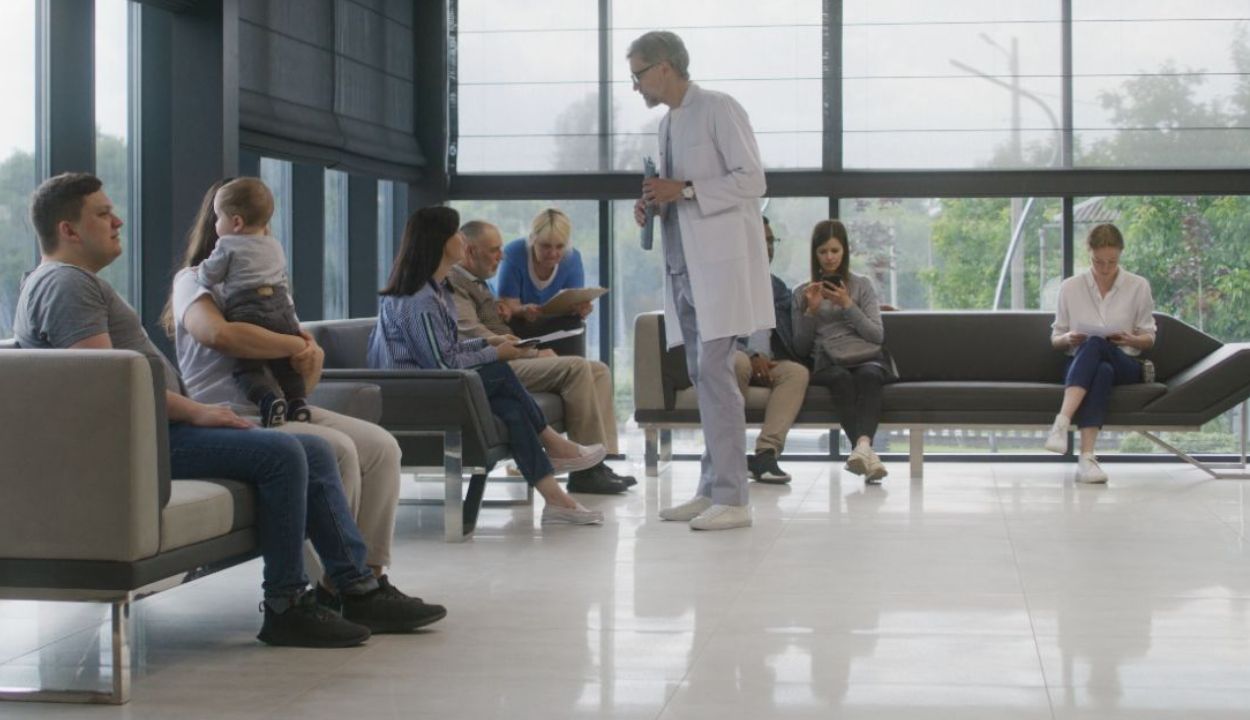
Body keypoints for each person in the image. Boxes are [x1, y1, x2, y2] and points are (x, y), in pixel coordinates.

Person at [15, 173, 444, 648]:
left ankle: (355, 586)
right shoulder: (66, 286)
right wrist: (198, 412)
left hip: (153, 431)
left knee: (312, 452)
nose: (117, 220)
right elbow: (107, 386)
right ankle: (286, 604)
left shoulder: (71, 283)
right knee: (286, 454)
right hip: (141, 441)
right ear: (68, 230)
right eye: (102, 213)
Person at [164, 178, 406, 589]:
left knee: (383, 447)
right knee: (340, 449)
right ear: (228, 224)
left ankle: (370, 578)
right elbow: (219, 334)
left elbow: (301, 380)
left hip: (278, 407)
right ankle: (342, 581)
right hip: (231, 412)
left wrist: (309, 361)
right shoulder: (194, 280)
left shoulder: (272, 288)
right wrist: (295, 342)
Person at [368, 206, 607, 526]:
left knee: (511, 408)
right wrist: (496, 354)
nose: (461, 241)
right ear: (439, 242)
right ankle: (553, 444)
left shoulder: (435, 292)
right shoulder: (419, 300)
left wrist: (488, 344)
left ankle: (556, 499)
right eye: (455, 234)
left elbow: (446, 351)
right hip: (415, 396)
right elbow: (441, 364)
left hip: (434, 385)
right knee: (498, 370)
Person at [629, 30, 772, 530]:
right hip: (680, 264)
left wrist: (684, 189)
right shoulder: (667, 125)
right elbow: (678, 193)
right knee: (703, 377)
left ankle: (734, 497)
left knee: (716, 374)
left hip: (719, 266)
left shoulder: (720, 107)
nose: (636, 85)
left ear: (665, 67)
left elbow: (753, 180)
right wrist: (653, 203)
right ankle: (712, 487)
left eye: (639, 73)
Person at [450, 219, 634, 494]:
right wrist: (532, 353)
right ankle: (586, 473)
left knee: (599, 370)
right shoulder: (455, 282)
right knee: (575, 367)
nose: (501, 256)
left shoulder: (477, 282)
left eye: (501, 249)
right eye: (494, 250)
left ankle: (601, 460)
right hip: (495, 364)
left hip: (510, 354)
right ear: (470, 251)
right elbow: (473, 334)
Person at [1045, 223, 1156, 484]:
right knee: (1100, 368)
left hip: (1125, 362)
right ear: (1089, 254)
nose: (1105, 268)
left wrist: (1131, 338)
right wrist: (1068, 338)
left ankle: (1061, 423)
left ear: (1120, 254)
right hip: (1082, 363)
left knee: (1096, 345)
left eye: (1112, 261)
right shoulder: (1070, 287)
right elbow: (1055, 338)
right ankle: (1087, 459)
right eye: (1098, 262)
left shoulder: (1138, 286)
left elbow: (1149, 337)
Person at [194, 177, 307, 427]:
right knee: (284, 365)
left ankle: (268, 400)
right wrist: (295, 342)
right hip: (281, 309)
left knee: (248, 365)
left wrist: (201, 271)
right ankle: (297, 401)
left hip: (249, 308)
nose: (216, 225)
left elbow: (208, 274)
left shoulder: (227, 244)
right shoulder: (275, 246)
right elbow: (282, 282)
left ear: (236, 222)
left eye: (219, 218)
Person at [793, 220, 891, 484]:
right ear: (815, 254)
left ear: (845, 251)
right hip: (828, 361)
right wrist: (811, 311)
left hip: (866, 356)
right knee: (840, 378)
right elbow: (800, 347)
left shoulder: (862, 285)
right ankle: (867, 452)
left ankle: (862, 449)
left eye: (835, 251)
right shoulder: (801, 292)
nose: (829, 258)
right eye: (823, 251)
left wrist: (847, 304)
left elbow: (876, 335)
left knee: (869, 376)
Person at [735, 216, 810, 484]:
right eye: (761, 240)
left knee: (797, 373)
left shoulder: (776, 286)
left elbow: (794, 327)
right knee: (738, 363)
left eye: (770, 240)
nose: (768, 247)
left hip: (769, 362)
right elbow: (715, 333)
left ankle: (765, 454)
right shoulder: (727, 283)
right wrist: (751, 355)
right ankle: (729, 454)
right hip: (735, 357)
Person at [494, 208, 593, 329]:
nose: (552, 253)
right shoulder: (514, 253)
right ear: (532, 239)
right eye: (546, 246)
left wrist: (581, 309)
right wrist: (522, 310)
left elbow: (572, 306)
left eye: (560, 246)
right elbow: (507, 305)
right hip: (518, 327)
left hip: (557, 327)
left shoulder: (572, 258)